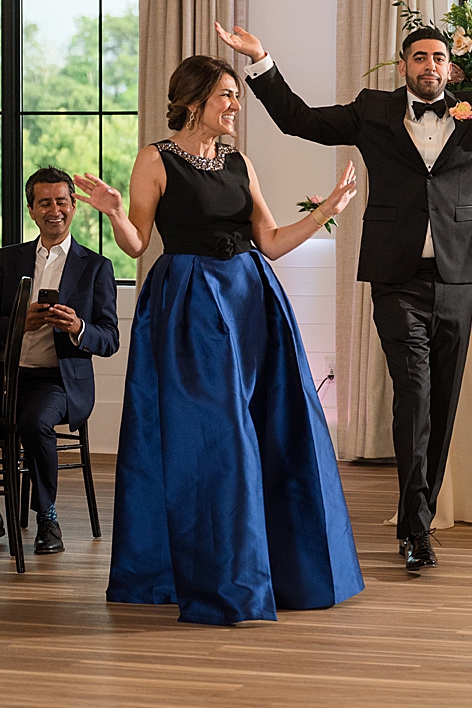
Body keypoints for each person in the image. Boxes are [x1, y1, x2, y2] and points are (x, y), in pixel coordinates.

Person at [219, 10, 472, 572]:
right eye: (420, 57)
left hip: (454, 278)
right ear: (404, 67)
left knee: (442, 402)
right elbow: (299, 120)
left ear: (451, 68)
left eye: (439, 58)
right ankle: (417, 530)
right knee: (416, 394)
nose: (431, 66)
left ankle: (414, 518)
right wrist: (262, 62)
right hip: (395, 278)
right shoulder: (373, 112)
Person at [74, 54, 363, 625]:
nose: (237, 105)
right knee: (215, 439)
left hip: (253, 299)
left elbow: (272, 241)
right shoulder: (154, 160)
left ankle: (277, 572)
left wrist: (326, 212)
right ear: (193, 101)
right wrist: (112, 211)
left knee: (276, 429)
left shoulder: (239, 162)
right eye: (227, 96)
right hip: (189, 306)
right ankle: (223, 580)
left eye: (237, 95)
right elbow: (136, 244)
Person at [0, 166, 119, 556]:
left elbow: (110, 339)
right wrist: (19, 324)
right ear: (31, 209)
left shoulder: (96, 267)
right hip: (2, 374)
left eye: (62, 201)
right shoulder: (9, 259)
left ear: (74, 205)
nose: (55, 209)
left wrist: (78, 327)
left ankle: (47, 517)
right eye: (45, 202)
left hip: (57, 381)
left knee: (34, 421)